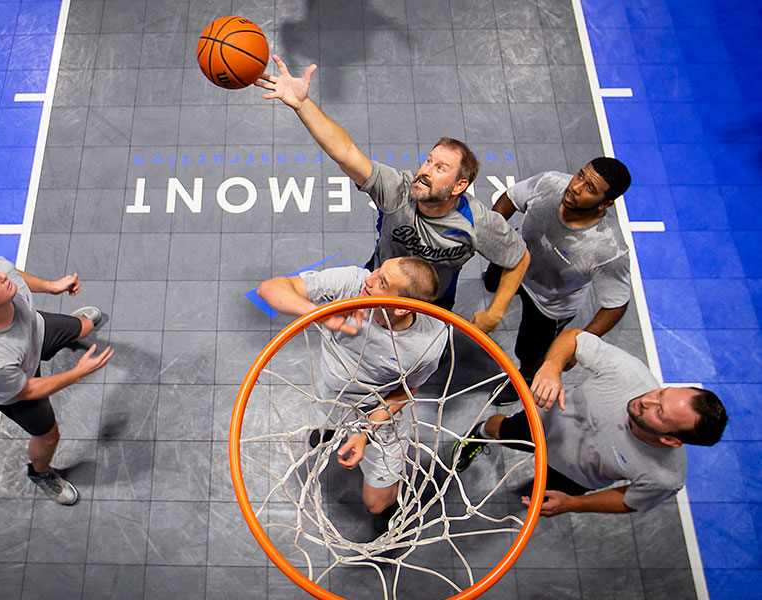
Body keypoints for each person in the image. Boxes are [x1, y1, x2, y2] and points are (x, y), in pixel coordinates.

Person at [256, 56, 529, 331]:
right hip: (379, 284)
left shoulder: (477, 222)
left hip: (433, 305)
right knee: (364, 337)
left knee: (423, 356)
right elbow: (346, 152)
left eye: (440, 168)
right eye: (428, 161)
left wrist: (496, 311)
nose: (426, 170)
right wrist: (302, 104)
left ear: (459, 186)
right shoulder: (399, 191)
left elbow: (519, 258)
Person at [258, 256, 448, 532]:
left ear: (400, 309)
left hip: (375, 415)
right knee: (328, 420)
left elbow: (406, 391)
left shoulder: (427, 343)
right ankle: (333, 429)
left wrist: (365, 431)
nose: (369, 279)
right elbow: (269, 289)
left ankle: (386, 510)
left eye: (381, 282)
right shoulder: (354, 284)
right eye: (378, 271)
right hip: (329, 399)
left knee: (376, 504)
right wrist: (318, 312)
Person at [451, 329, 728, 516]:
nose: (647, 400)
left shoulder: (666, 477)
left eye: (659, 413)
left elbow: (629, 500)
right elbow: (574, 337)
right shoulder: (629, 374)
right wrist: (551, 367)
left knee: (541, 492)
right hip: (546, 424)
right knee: (502, 428)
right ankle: (479, 433)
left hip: (573, 476)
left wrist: (574, 503)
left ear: (670, 440)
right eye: (661, 393)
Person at [0, 257, 114, 505]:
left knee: (84, 327)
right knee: (48, 436)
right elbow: (26, 390)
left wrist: (52, 286)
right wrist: (75, 374)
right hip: (18, 385)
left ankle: (73, 332)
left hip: (35, 330)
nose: (1, 276)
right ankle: (40, 474)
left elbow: (14, 273)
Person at [485, 158, 632, 403]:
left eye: (590, 188)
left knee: (529, 351)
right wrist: (493, 235)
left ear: (605, 203)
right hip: (515, 263)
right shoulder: (549, 183)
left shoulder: (608, 249)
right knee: (492, 282)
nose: (576, 186)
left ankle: (524, 380)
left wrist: (579, 341)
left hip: (548, 303)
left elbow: (616, 304)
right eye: (580, 175)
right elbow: (510, 198)